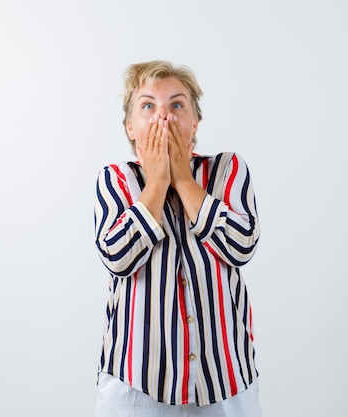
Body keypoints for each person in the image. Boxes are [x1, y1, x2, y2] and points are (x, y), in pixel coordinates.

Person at [94, 60, 262, 416]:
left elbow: (242, 244)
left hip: (223, 381)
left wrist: (184, 180)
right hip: (136, 383)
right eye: (148, 106)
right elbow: (117, 257)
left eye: (177, 104)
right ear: (130, 128)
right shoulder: (115, 180)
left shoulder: (227, 169)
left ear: (194, 122)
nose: (163, 118)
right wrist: (156, 183)